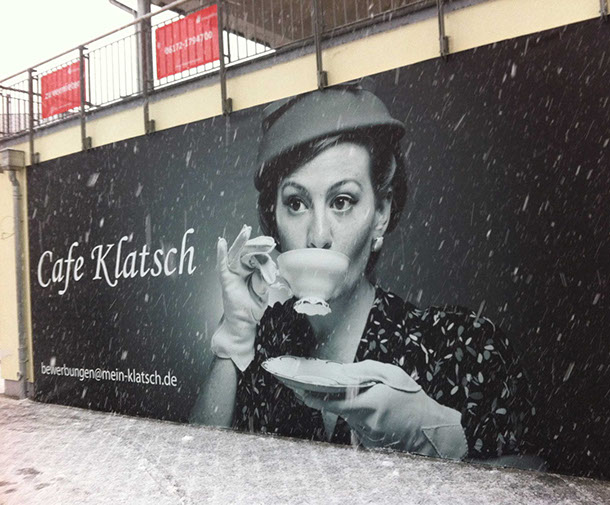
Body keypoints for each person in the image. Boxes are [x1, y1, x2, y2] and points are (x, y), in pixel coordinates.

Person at [191, 82, 536, 464]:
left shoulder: (464, 350)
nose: (318, 235)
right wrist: (233, 336)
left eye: (342, 201)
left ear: (381, 214)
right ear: (274, 218)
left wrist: (446, 447)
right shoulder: (266, 342)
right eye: (296, 203)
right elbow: (200, 467)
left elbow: (531, 483)